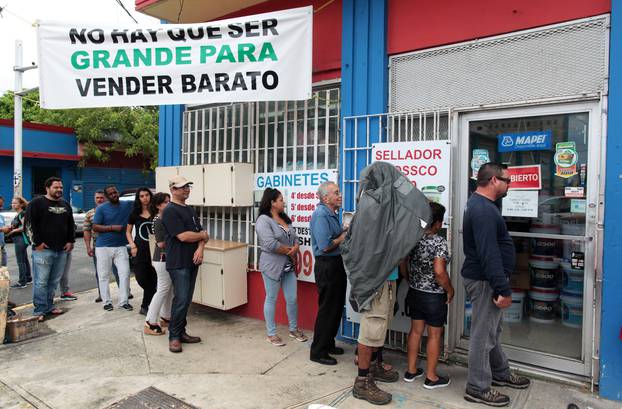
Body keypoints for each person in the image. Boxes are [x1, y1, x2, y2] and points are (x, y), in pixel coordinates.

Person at [462, 162, 530, 407]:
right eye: (507, 180)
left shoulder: (484, 206)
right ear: (493, 180)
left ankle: (500, 372)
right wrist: (502, 288)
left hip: (485, 278)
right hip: (484, 281)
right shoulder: (482, 210)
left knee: (492, 331)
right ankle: (477, 387)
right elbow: (488, 253)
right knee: (483, 335)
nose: (510, 184)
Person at [401, 202, 454, 389]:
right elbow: (439, 272)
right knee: (434, 335)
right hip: (433, 296)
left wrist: (410, 279)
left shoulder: (414, 238)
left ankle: (411, 370)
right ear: (438, 223)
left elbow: (402, 262)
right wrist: (449, 289)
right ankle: (431, 377)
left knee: (415, 331)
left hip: (415, 292)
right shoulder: (439, 242)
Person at [255, 187, 308, 347]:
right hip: (272, 265)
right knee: (271, 298)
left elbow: (294, 237)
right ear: (272, 202)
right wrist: (291, 252)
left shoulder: (285, 218)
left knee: (292, 298)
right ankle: (271, 333)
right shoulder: (263, 220)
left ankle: (293, 328)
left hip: (288, 266)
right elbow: (270, 244)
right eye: (280, 200)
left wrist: (297, 247)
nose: (283, 202)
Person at [161, 176, 208, 353]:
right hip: (178, 262)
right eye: (182, 187)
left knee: (187, 299)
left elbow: (203, 233)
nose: (186, 190)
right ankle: (174, 336)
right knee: (180, 299)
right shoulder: (170, 211)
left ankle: (181, 332)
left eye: (188, 186)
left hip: (192, 261)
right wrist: (201, 237)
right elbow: (183, 236)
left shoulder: (190, 209)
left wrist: (201, 248)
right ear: (173, 190)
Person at [25, 177, 75, 321]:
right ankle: (39, 310)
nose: (59, 190)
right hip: (43, 250)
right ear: (47, 188)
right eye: (56, 187)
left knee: (53, 281)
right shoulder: (36, 203)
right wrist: (37, 243)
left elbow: (70, 224)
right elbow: (28, 225)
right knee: (41, 281)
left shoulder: (65, 204)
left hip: (61, 250)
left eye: (60, 187)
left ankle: (49, 306)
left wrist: (70, 241)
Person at [309, 181, 347, 365]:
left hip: (335, 263)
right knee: (327, 309)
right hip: (327, 265)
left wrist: (344, 231)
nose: (340, 195)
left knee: (336, 307)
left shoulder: (331, 213)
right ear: (326, 198)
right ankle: (318, 351)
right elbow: (325, 246)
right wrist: (343, 237)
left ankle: (328, 343)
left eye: (339, 192)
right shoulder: (321, 215)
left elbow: (335, 237)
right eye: (336, 192)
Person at [352, 265, 400, 405]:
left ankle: (373, 367)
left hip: (388, 279)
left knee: (379, 327)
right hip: (376, 281)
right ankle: (362, 382)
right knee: (370, 330)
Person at [93, 185, 133, 311]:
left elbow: (142, 201)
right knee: (104, 275)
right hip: (103, 247)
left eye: (115, 192)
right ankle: (107, 302)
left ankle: (124, 301)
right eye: (110, 194)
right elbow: (95, 227)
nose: (114, 195)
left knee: (125, 273)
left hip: (121, 246)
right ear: (107, 197)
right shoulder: (101, 209)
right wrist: (111, 228)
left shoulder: (126, 205)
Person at [83, 190, 125, 303]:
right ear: (94, 199)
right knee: (100, 272)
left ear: (106, 198)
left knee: (119, 271)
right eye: (97, 198)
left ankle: (125, 292)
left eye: (101, 197)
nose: (99, 200)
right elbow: (86, 230)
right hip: (98, 247)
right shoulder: (90, 214)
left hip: (116, 245)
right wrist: (88, 247)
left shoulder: (114, 210)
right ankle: (102, 295)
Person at [144, 192, 173, 336]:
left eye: (169, 201)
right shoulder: (158, 220)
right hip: (162, 259)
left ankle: (166, 318)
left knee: (168, 289)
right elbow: (161, 243)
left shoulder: (165, 218)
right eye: (166, 202)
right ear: (157, 205)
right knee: (162, 290)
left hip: (168, 258)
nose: (169, 204)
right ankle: (150, 322)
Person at [126, 187, 157, 315]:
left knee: (154, 277)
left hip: (156, 249)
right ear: (138, 198)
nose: (145, 198)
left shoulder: (156, 211)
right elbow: (127, 232)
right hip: (140, 249)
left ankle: (145, 306)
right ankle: (151, 300)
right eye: (142, 196)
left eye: (147, 195)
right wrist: (132, 245)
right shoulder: (134, 213)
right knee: (141, 278)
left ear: (151, 196)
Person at [8, 196, 32, 288]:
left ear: (21, 204)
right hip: (19, 240)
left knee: (20, 261)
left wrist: (13, 231)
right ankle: (28, 278)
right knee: (24, 259)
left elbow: (24, 227)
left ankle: (22, 282)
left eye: (15, 203)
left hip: (21, 240)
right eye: (12, 203)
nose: (13, 205)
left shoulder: (22, 214)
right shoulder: (18, 214)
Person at [0, 195, 8, 267]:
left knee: (3, 268)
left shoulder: (1, 216)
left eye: (2, 204)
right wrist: (2, 229)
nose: (2, 207)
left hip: (2, 246)